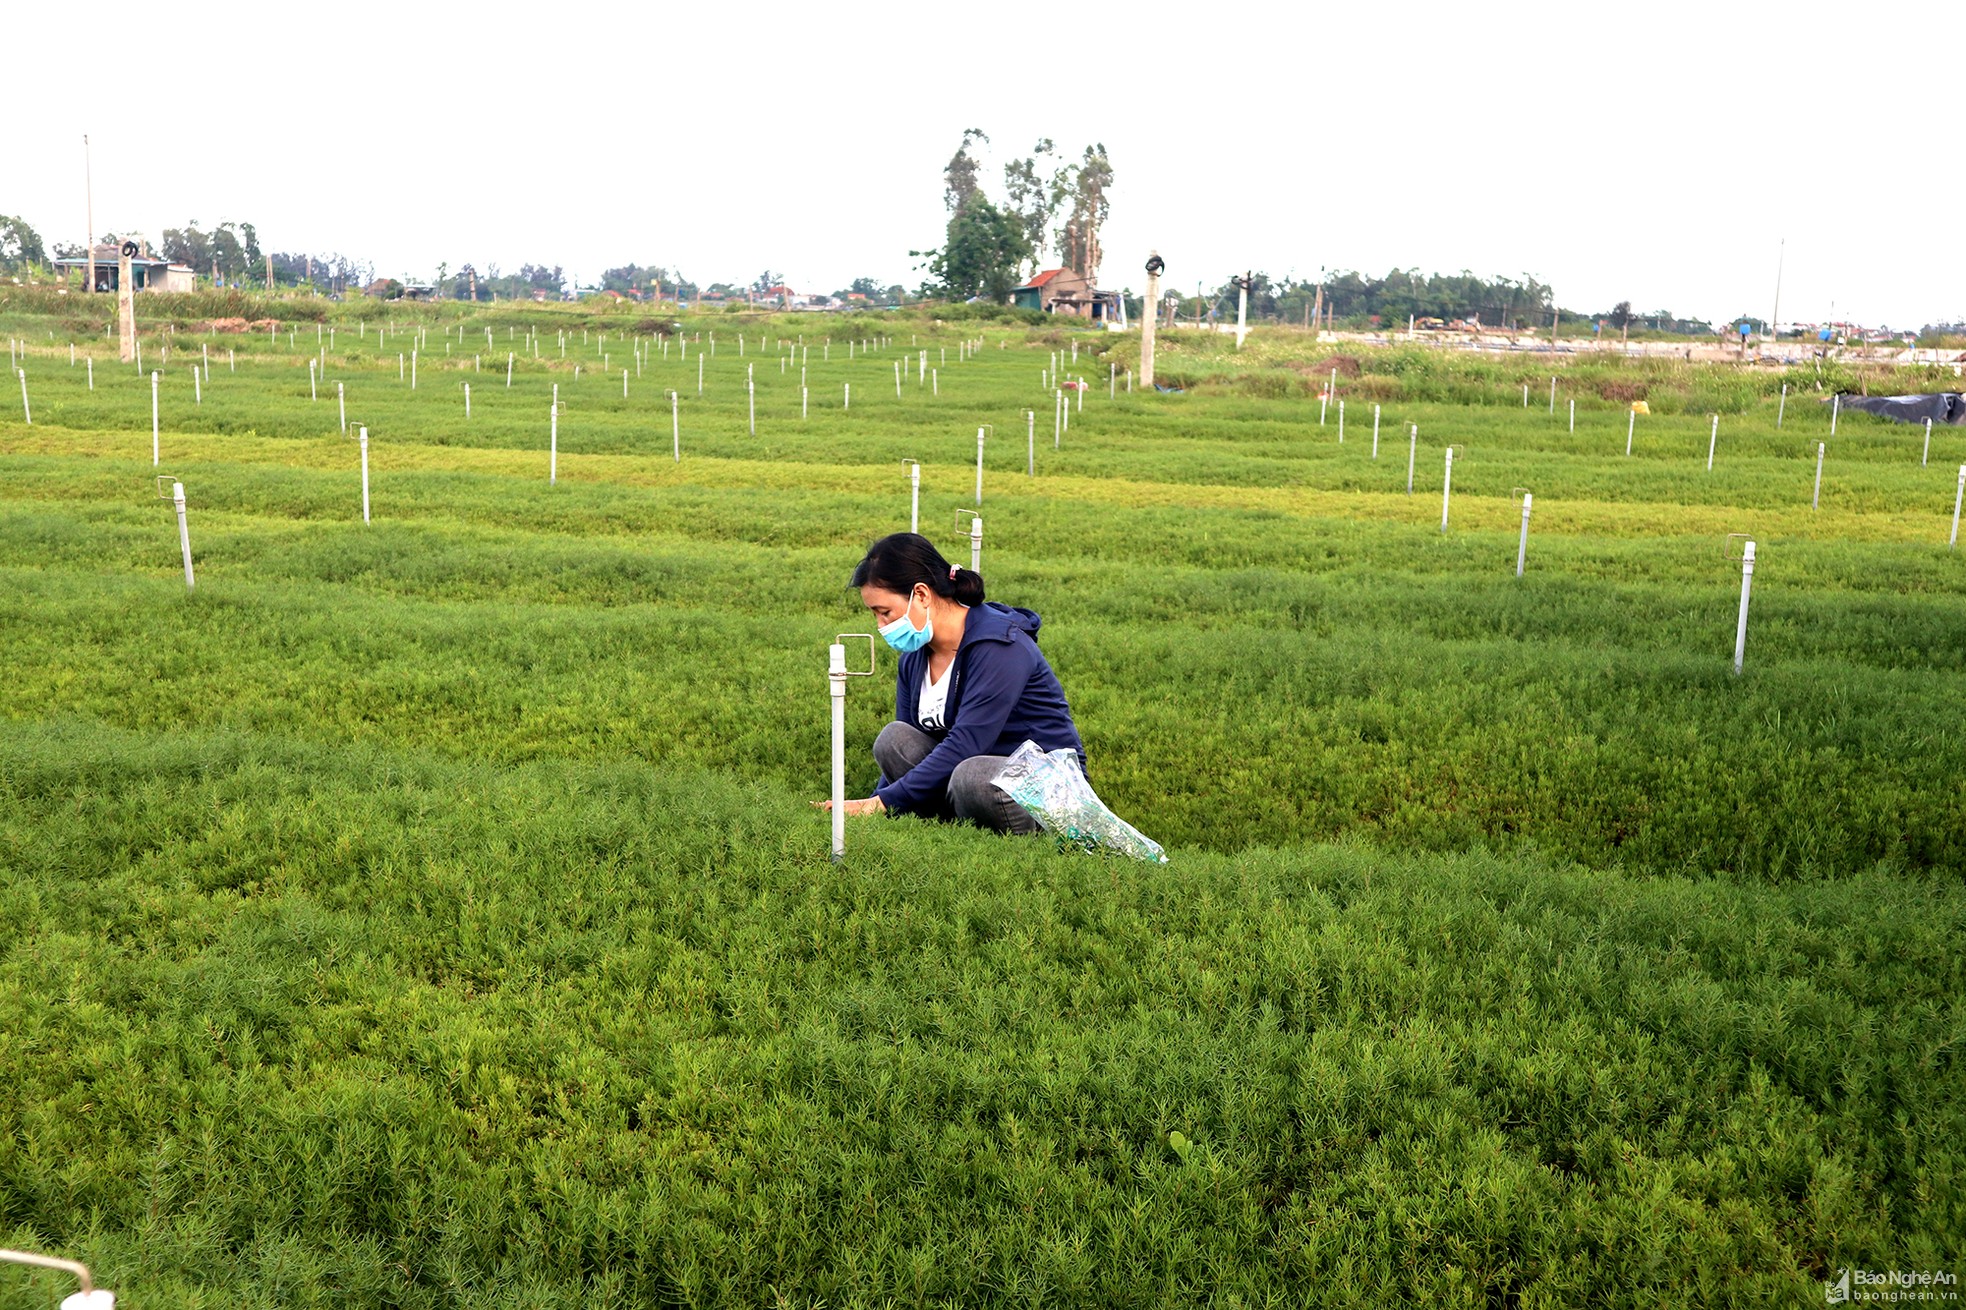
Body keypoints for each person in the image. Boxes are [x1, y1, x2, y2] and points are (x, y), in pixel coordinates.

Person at [819, 533, 1084, 834]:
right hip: (971, 776)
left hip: (1045, 787)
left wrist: (880, 804)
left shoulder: (999, 647)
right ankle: (949, 833)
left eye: (885, 613)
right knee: (895, 739)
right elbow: (907, 748)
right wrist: (872, 803)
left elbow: (967, 744)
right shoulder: (915, 657)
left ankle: (1031, 849)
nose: (881, 626)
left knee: (971, 776)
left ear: (921, 595)